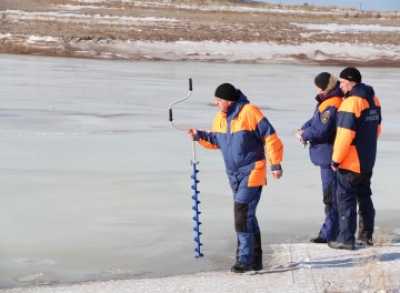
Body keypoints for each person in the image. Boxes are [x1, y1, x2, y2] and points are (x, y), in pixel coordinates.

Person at [188, 83, 284, 273]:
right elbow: (217, 141)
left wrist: (275, 164)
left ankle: (245, 260)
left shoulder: (250, 112)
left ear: (228, 101)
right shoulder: (220, 118)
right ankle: (255, 259)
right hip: (233, 175)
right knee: (247, 215)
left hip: (253, 170)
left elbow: (271, 137)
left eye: (218, 101)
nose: (216, 104)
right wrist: (199, 136)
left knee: (241, 213)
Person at [328, 67, 382, 250]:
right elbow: (377, 129)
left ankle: (346, 239)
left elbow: (344, 134)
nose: (340, 86)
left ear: (350, 82)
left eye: (342, 82)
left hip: (351, 160)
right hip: (368, 157)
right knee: (364, 195)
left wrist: (335, 160)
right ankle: (366, 235)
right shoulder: (373, 99)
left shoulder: (351, 103)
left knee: (345, 199)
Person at [296, 72, 343, 244]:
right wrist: (303, 129)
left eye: (318, 86)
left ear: (325, 86)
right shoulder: (327, 101)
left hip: (330, 155)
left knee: (332, 196)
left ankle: (331, 233)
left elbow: (322, 129)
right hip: (327, 155)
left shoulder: (333, 103)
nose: (316, 89)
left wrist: (306, 134)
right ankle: (332, 231)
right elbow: (314, 121)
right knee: (332, 196)